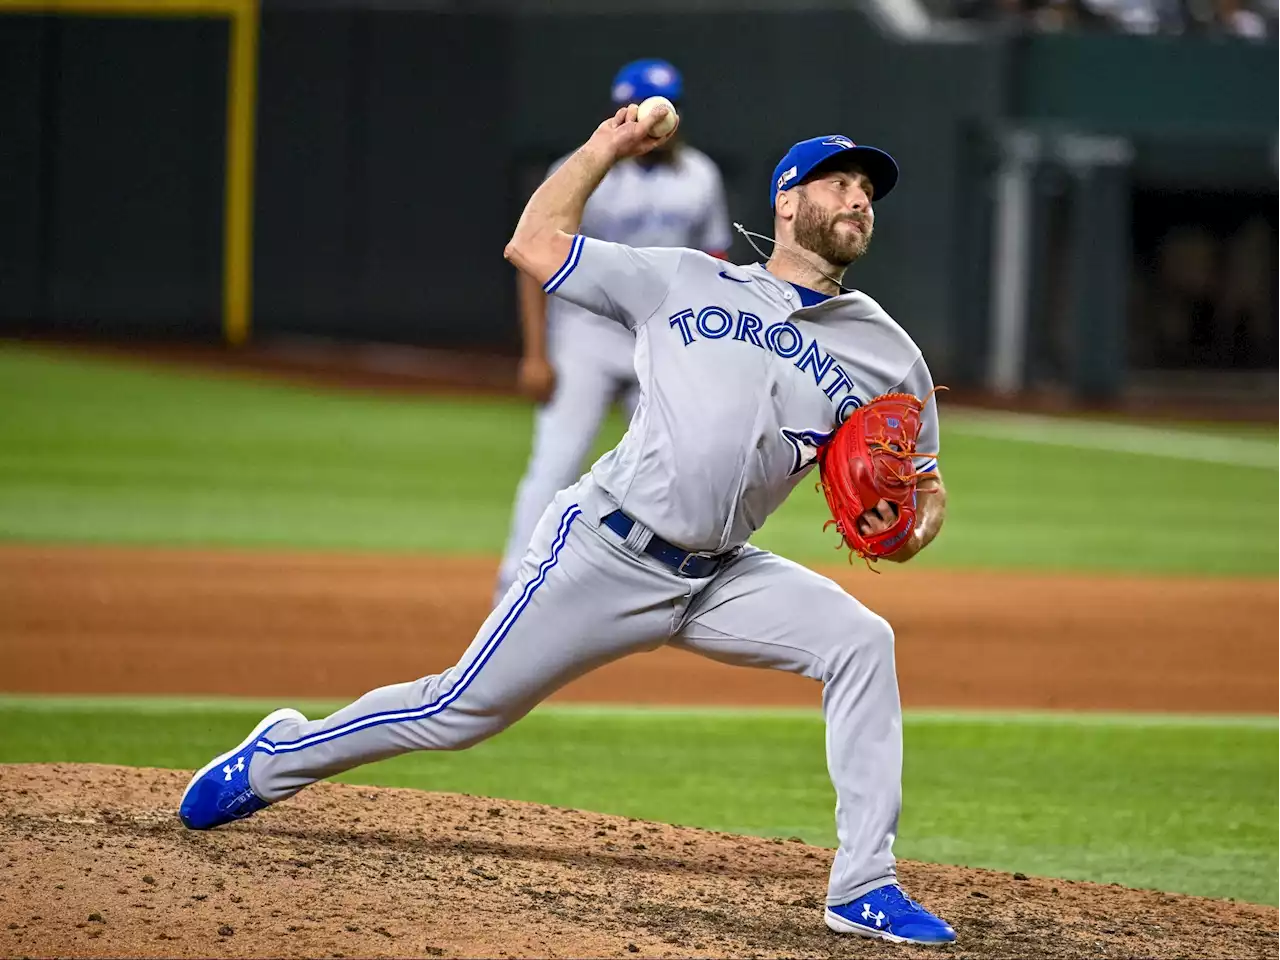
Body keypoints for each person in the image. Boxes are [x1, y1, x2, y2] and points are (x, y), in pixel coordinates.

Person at [178, 105, 955, 946]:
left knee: (861, 641)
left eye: (868, 189)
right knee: (459, 711)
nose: (858, 198)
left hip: (722, 575)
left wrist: (914, 528)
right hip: (605, 548)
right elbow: (535, 244)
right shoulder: (686, 279)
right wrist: (608, 146)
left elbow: (926, 484)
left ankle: (863, 885)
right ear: (786, 202)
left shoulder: (886, 351)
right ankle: (277, 757)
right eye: (839, 182)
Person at [495, 58, 732, 602]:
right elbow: (534, 262)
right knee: (556, 460)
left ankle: (669, 588)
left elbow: (715, 266)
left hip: (664, 337)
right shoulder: (580, 169)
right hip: (584, 335)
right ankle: (515, 585)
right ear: (620, 111)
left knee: (679, 465)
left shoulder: (700, 176)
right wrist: (535, 353)